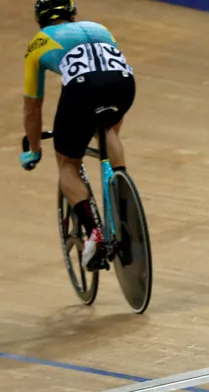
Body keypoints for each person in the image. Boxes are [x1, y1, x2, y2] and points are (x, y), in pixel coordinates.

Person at [20, 0, 136, 271]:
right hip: (124, 85)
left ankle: (94, 233)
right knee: (107, 128)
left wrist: (34, 148)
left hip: (83, 91)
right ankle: (121, 186)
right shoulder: (99, 27)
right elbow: (110, 68)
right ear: (73, 14)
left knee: (68, 163)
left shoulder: (38, 43)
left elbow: (32, 106)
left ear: (40, 21)